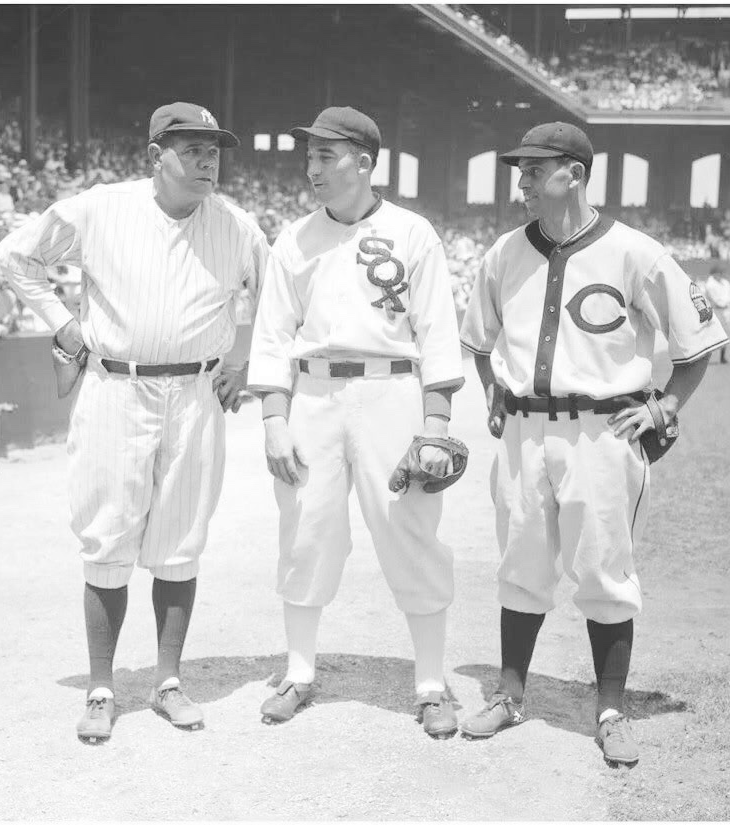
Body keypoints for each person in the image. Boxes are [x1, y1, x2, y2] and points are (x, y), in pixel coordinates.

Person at [0, 101, 269, 743]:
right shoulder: (100, 207)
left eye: (214, 149)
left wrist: (245, 355)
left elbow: (275, 293)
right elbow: (14, 259)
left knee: (180, 538)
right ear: (155, 156)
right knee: (107, 536)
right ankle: (100, 687)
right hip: (116, 386)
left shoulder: (235, 224)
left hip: (197, 391)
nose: (207, 160)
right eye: (192, 148)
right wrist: (64, 324)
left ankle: (168, 681)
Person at [458, 122, 729, 766]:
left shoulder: (635, 252)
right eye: (518, 168)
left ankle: (610, 709)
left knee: (604, 569)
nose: (520, 180)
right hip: (524, 430)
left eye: (533, 169)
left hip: (602, 431)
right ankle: (510, 694)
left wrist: (664, 403)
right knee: (521, 564)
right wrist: (493, 388)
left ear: (573, 174)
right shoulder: (503, 252)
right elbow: (477, 339)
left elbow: (697, 341)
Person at [246, 107, 466, 738]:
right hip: (312, 395)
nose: (311, 167)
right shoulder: (294, 238)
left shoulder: (413, 232)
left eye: (325, 156)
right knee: (306, 528)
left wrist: (436, 426)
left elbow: (438, 335)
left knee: (410, 529)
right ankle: (298, 670)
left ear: (364, 162)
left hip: (390, 390)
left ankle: (429, 682)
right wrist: (272, 418)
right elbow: (272, 335)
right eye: (308, 156)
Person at [703, 266, 730, 363]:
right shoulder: (710, 284)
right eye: (719, 273)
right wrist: (723, 304)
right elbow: (714, 300)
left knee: (725, 335)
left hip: (726, 311)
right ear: (714, 274)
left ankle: (722, 357)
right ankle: (704, 357)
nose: (721, 275)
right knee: (710, 335)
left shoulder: (725, 283)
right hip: (715, 312)